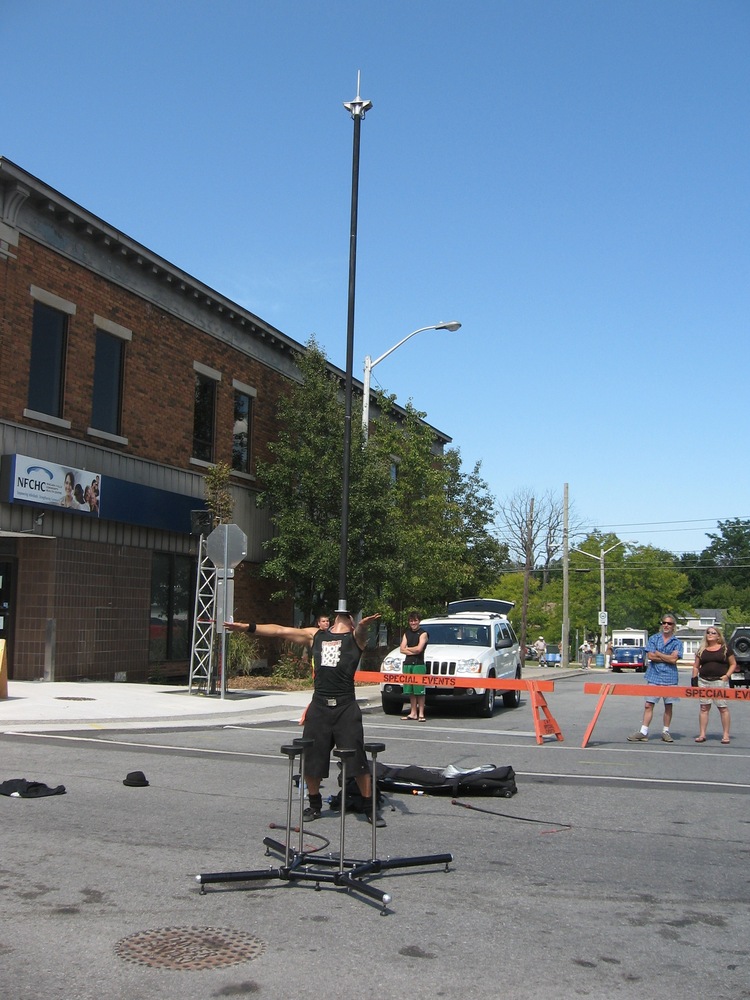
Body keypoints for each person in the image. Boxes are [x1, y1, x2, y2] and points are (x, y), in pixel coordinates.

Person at [225, 609, 384, 824]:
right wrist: (247, 627)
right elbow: (280, 631)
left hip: (346, 707)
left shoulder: (355, 638)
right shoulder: (315, 635)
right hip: (319, 706)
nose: (344, 617)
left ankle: (368, 807)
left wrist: (363, 625)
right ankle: (314, 805)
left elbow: (362, 633)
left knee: (357, 761)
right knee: (312, 760)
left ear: (352, 623)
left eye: (349, 617)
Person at [628, 614, 683, 743]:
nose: (666, 625)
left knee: (668, 705)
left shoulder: (677, 642)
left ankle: (666, 731)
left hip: (670, 677)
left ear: (673, 626)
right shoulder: (654, 638)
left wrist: (658, 653)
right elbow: (651, 656)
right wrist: (666, 657)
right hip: (654, 676)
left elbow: (674, 659)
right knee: (648, 704)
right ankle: (643, 731)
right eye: (664, 623)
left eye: (669, 623)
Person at [692, 625, 734, 744]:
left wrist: (727, 676)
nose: (710, 634)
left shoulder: (725, 649)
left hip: (719, 681)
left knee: (722, 707)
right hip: (704, 681)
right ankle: (702, 734)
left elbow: (733, 664)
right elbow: (696, 666)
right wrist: (694, 680)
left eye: (713, 633)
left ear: (718, 636)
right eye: (708, 632)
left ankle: (725, 735)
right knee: (704, 707)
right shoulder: (702, 650)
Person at [400, 611, 429, 721]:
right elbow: (401, 649)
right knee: (411, 690)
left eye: (415, 620)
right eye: (411, 621)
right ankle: (413, 713)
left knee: (419, 690)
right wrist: (413, 650)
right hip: (408, 664)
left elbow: (419, 649)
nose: (413, 623)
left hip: (419, 664)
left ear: (419, 621)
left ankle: (421, 714)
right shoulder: (406, 633)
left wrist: (408, 649)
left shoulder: (423, 634)